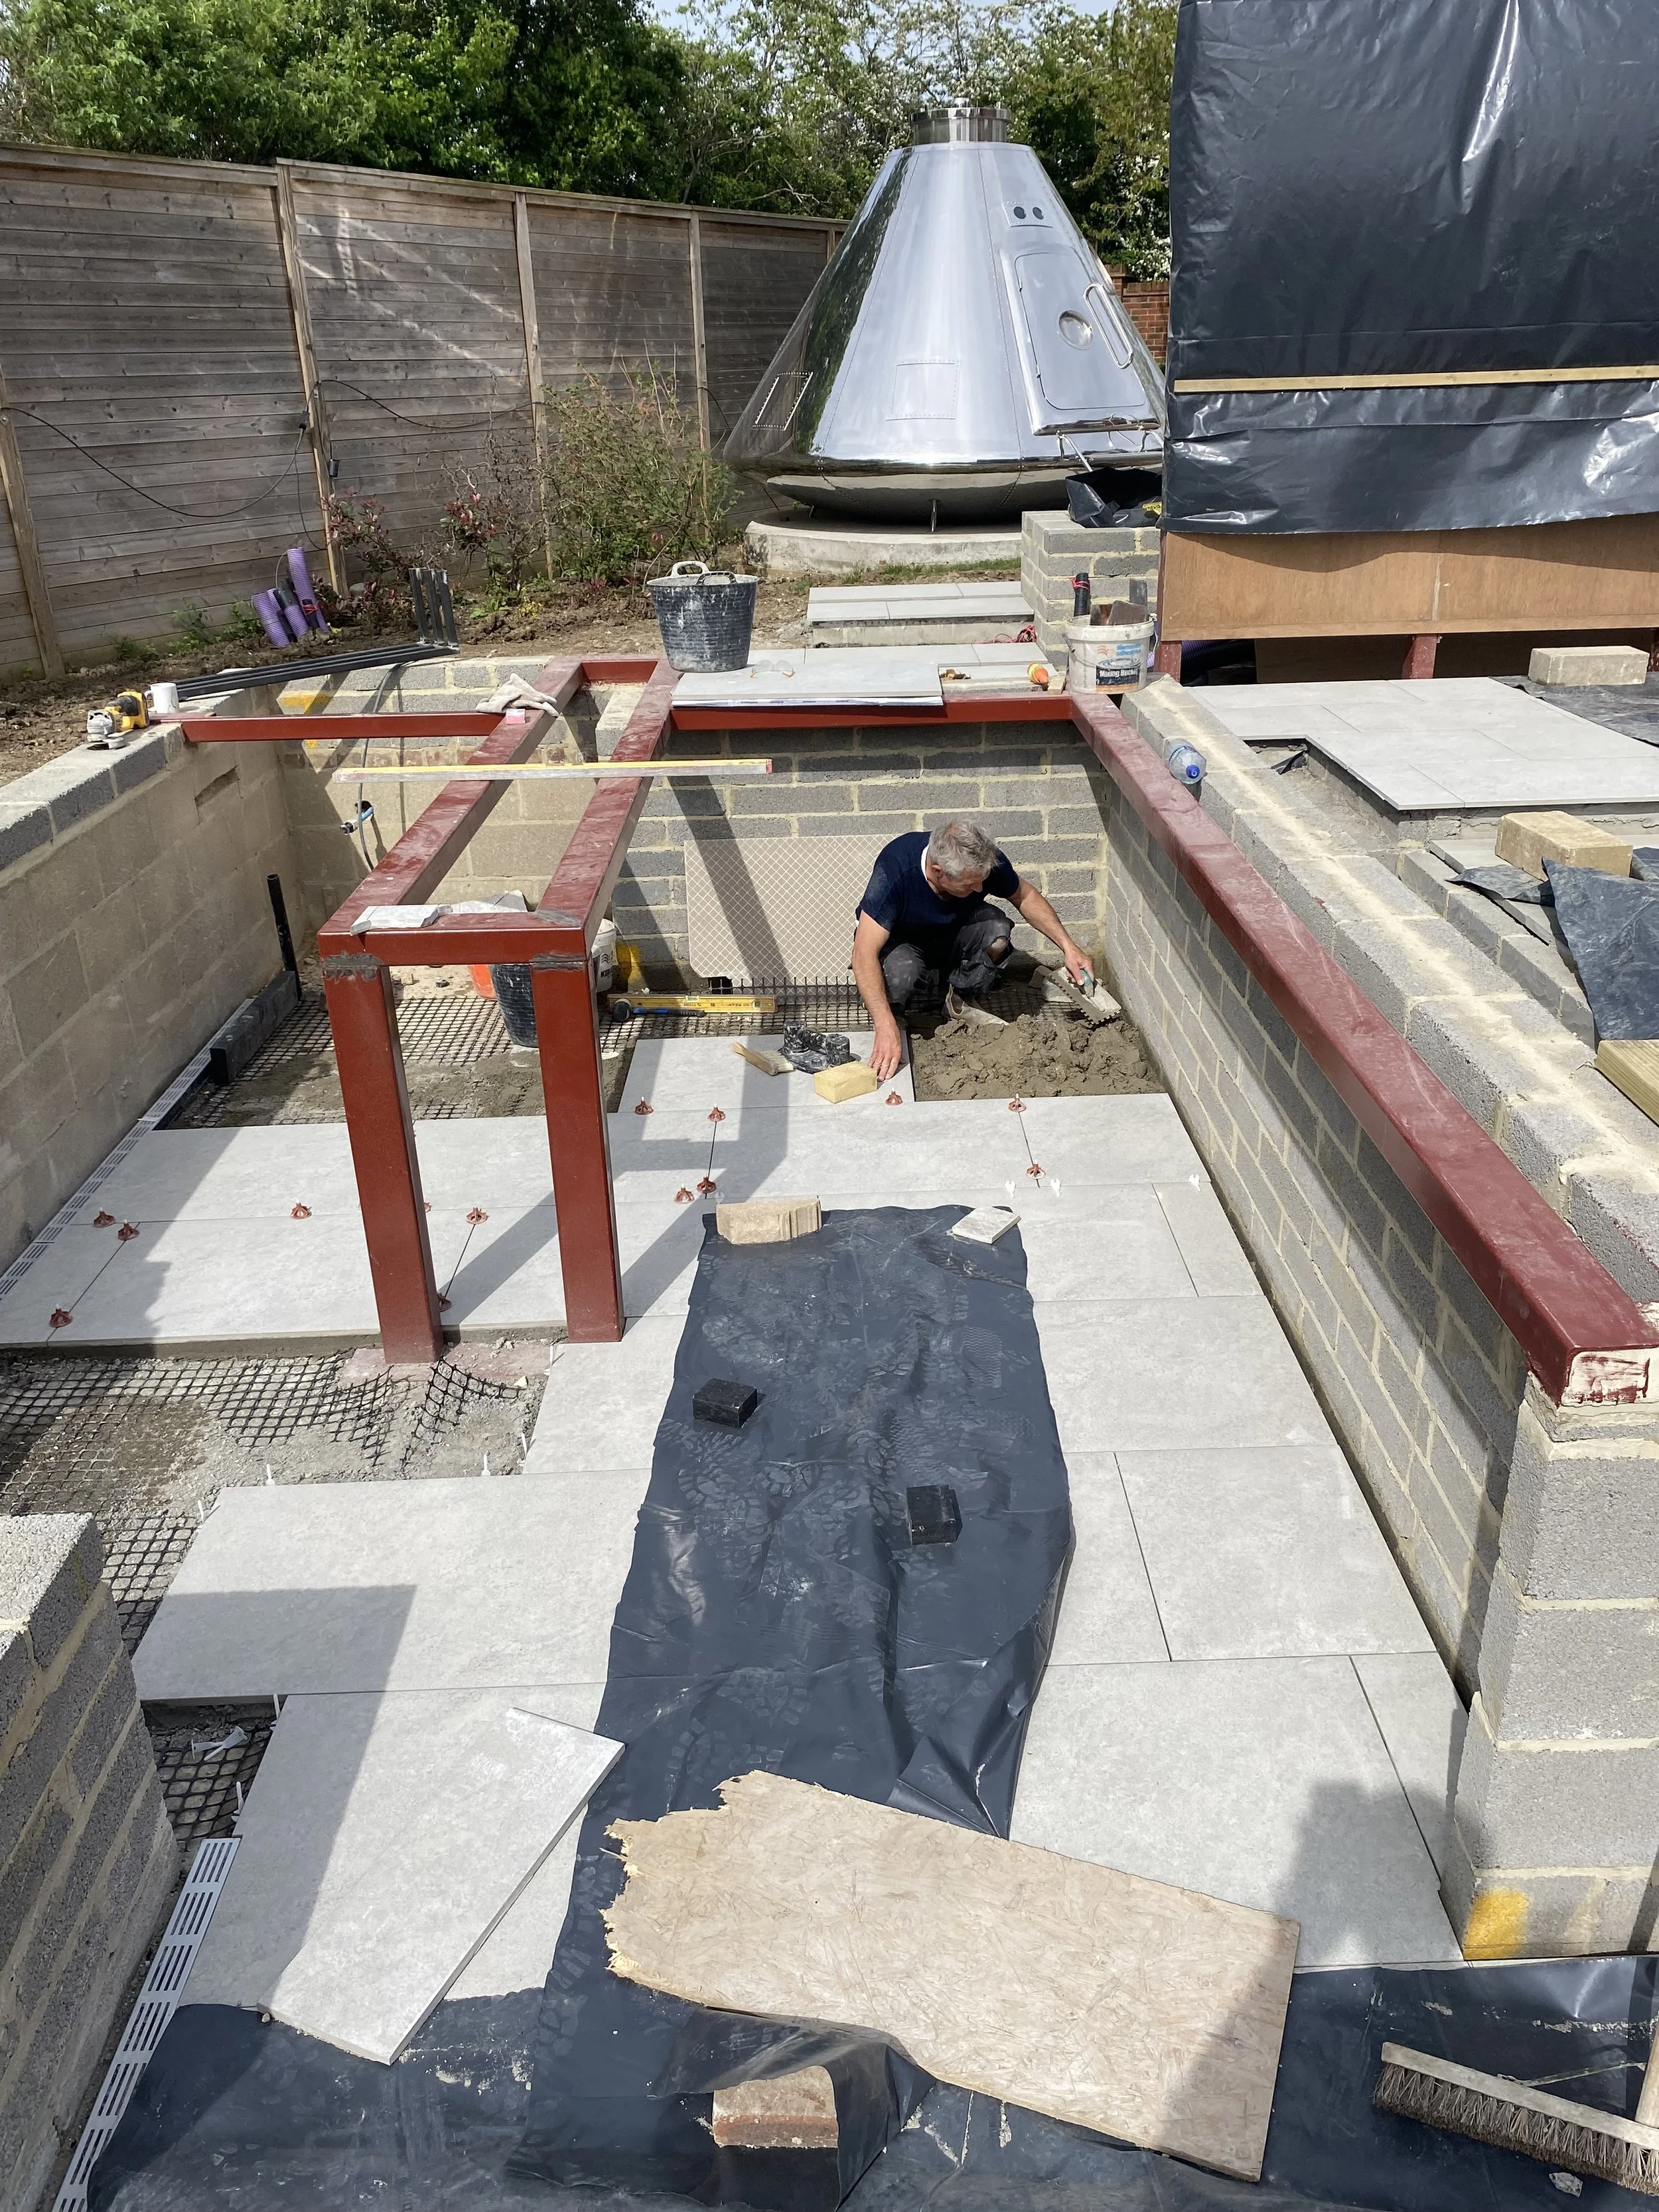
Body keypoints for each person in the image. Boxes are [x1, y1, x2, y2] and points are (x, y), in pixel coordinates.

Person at [852, 820, 1094, 1082]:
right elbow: (863, 953)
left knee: (997, 931)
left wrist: (1069, 947)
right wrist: (883, 1023)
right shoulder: (896, 867)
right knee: (903, 974)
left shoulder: (982, 862)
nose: (980, 890)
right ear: (938, 871)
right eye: (969, 886)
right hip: (905, 944)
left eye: (981, 882)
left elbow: (1025, 897)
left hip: (953, 935)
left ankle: (958, 1000)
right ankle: (894, 1015)